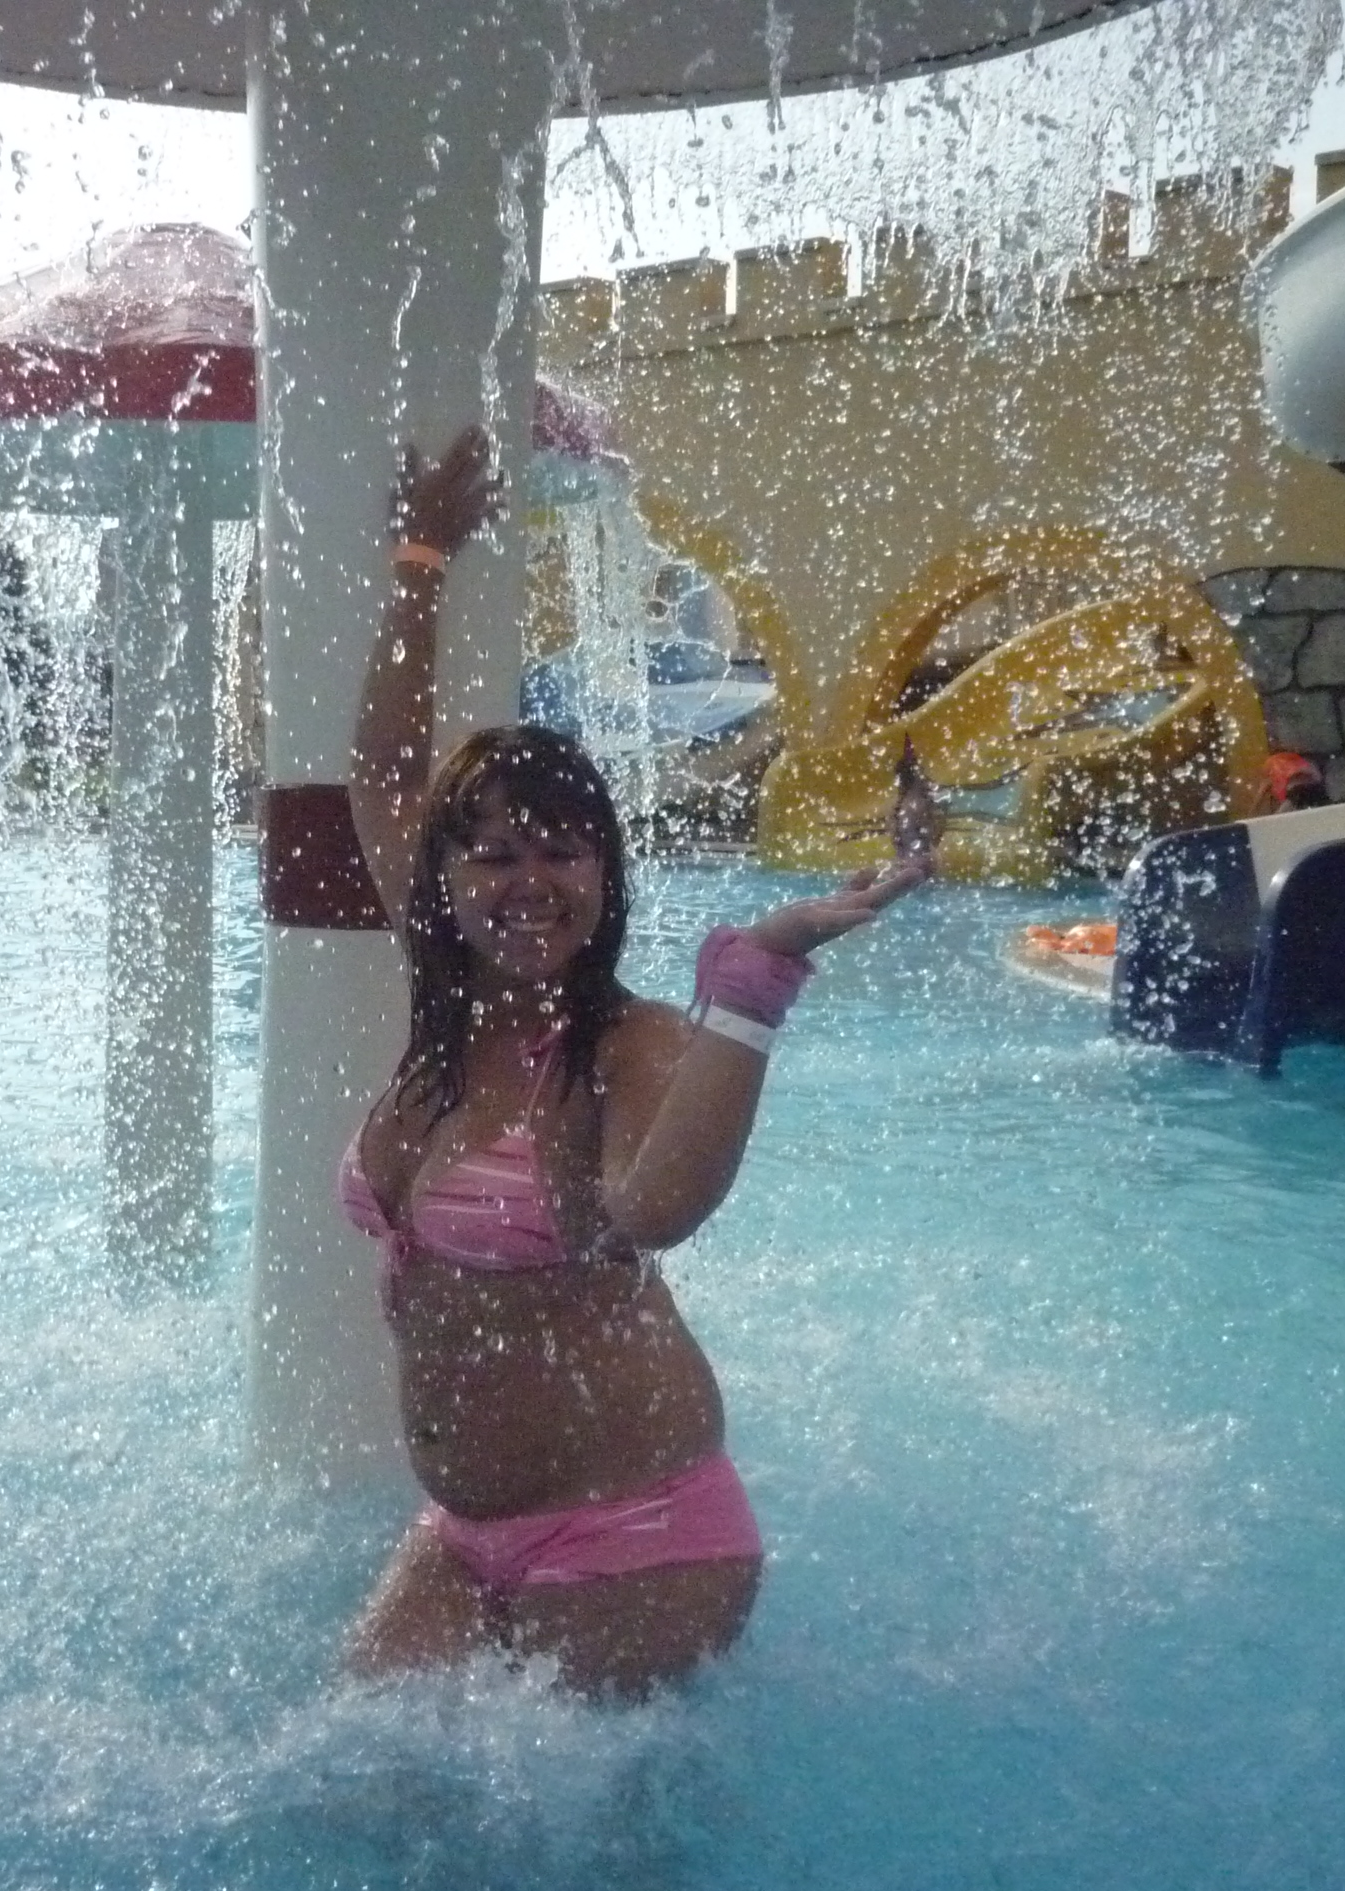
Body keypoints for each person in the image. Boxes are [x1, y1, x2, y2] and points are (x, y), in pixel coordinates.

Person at [339, 426, 934, 1696]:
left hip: (636, 1530)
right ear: (446, 879)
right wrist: (420, 558)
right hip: (459, 1533)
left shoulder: (630, 1042)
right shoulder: (445, 999)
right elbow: (382, 770)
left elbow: (657, 1208)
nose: (530, 883)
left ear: (604, 876)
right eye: (494, 855)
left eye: (564, 853)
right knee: (354, 1784)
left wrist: (753, 985)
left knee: (576, 1833)